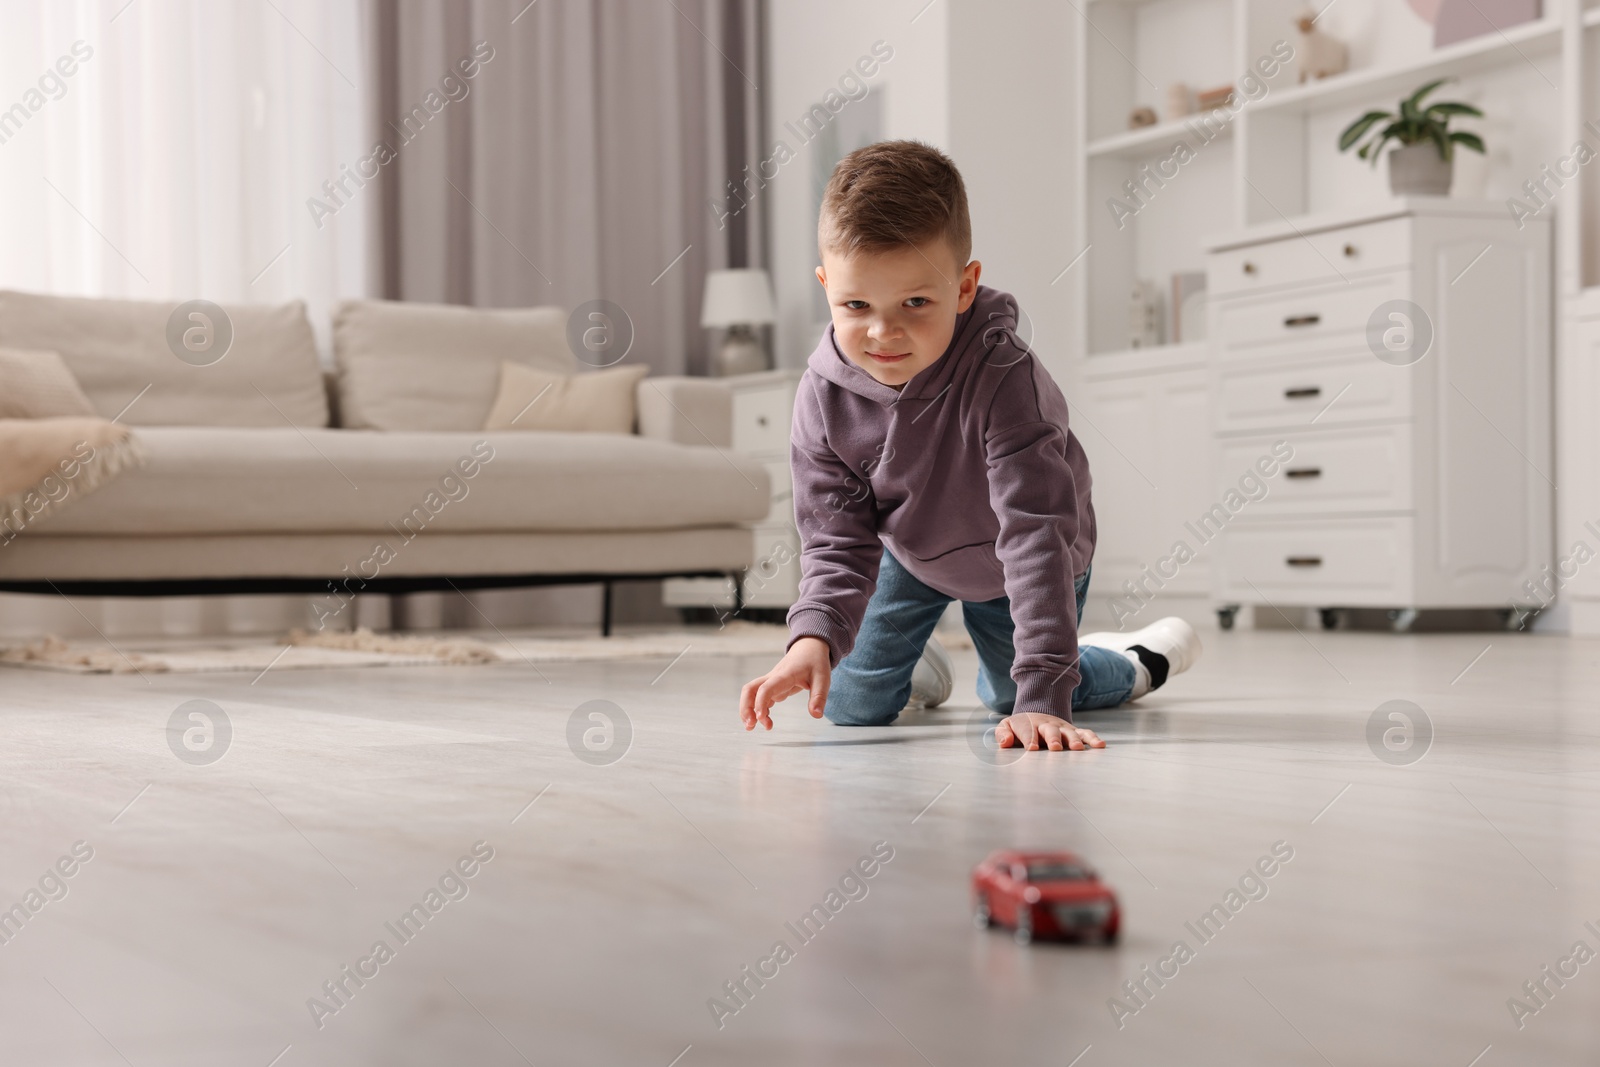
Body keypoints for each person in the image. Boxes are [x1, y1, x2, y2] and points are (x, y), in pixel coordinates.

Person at [738, 139, 1201, 752]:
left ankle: (1132, 660)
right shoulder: (821, 398)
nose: (883, 333)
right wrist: (811, 639)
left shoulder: (1004, 377)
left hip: (1021, 566)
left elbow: (1036, 536)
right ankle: (909, 658)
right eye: (856, 305)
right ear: (826, 287)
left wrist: (1041, 692)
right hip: (912, 554)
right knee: (850, 706)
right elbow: (835, 539)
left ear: (963, 287)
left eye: (916, 302)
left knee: (1011, 702)